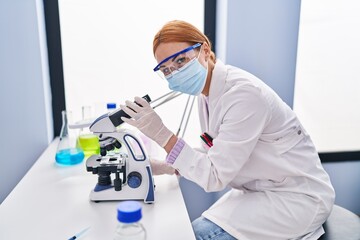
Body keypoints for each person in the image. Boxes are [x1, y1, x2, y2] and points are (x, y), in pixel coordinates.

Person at [120, 20, 335, 240]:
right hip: (260, 191)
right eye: (166, 70)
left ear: (204, 50)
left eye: (181, 60)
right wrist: (165, 166)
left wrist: (162, 135)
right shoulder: (207, 94)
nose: (174, 73)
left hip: (296, 198)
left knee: (197, 235)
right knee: (191, 231)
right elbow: (216, 154)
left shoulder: (244, 95)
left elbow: (215, 177)